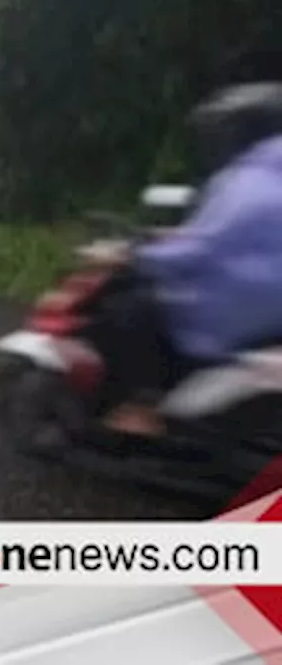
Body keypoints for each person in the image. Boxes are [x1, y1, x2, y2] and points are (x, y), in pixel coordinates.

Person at [81, 83, 282, 437]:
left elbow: (198, 252)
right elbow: (227, 241)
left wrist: (134, 254)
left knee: (128, 309)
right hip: (266, 314)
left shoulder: (244, 183)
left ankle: (142, 407)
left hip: (227, 312)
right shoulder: (269, 178)